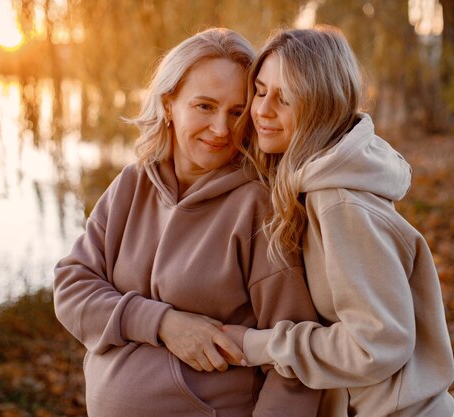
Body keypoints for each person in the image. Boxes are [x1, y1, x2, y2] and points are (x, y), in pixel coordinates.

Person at [53, 27, 321, 417]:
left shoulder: (257, 206)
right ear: (168, 104)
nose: (221, 130)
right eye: (205, 106)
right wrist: (163, 324)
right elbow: (71, 288)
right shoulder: (132, 184)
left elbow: (293, 358)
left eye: (236, 112)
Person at [223, 26, 454, 417]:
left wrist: (258, 346)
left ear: (320, 104)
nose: (261, 111)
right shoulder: (316, 178)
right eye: (260, 91)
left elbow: (377, 343)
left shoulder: (337, 202)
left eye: (284, 98)